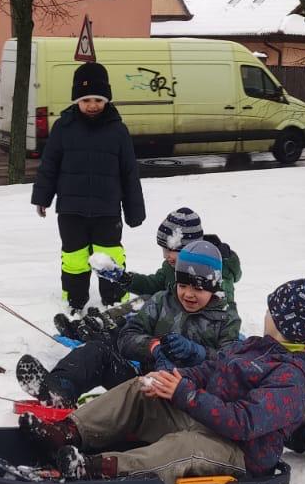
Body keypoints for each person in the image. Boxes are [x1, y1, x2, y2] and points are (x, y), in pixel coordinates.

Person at [21, 279, 305, 483]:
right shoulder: (256, 346)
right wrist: (173, 379)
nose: (266, 314)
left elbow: (244, 423)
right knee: (141, 389)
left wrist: (186, 394)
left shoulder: (291, 379)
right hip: (203, 419)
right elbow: (211, 369)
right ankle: (69, 431)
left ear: (281, 321)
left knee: (185, 448)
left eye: (270, 310)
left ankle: (97, 468)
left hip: (239, 452)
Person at [20, 240, 241, 408]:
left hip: (188, 399)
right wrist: (153, 347)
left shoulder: (226, 317)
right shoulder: (162, 302)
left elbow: (231, 366)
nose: (188, 294)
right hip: (145, 384)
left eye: (198, 288)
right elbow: (127, 337)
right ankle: (59, 390)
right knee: (97, 351)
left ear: (214, 286)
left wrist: (197, 353)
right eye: (183, 286)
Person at [30, 61, 147, 319]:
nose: (92, 105)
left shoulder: (118, 130)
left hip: (107, 210)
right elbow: (49, 165)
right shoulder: (63, 127)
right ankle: (74, 302)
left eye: (98, 100)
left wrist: (134, 210)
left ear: (107, 99)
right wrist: (42, 197)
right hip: (71, 210)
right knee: (74, 258)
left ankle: (114, 302)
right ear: (76, 100)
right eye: (85, 100)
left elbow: (129, 172)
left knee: (110, 257)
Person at [53, 207, 242, 341]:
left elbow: (223, 312)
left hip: (192, 327)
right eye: (164, 250)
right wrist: (123, 277)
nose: (166, 256)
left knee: (147, 305)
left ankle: (106, 330)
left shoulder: (217, 273)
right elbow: (153, 284)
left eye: (171, 251)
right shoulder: (173, 266)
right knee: (146, 299)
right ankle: (94, 324)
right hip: (170, 312)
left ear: (190, 247)